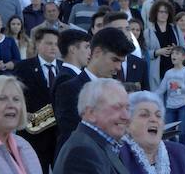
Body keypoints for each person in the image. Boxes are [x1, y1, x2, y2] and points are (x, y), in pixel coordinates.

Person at [54, 28, 134, 156]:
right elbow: (71, 136)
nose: (118, 67)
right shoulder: (70, 89)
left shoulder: (118, 90)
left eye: (121, 62)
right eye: (115, 60)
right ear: (97, 52)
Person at [13, 28, 63, 174]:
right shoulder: (23, 67)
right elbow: (15, 95)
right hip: (32, 134)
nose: (53, 47)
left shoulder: (66, 68)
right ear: (38, 44)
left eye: (56, 44)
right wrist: (22, 112)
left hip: (59, 136)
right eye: (49, 43)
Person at [154, 47, 185, 145]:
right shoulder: (168, 73)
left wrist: (180, 86)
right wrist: (150, 96)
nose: (173, 55)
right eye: (173, 53)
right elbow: (161, 89)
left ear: (183, 57)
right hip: (170, 105)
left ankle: (183, 153)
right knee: (168, 132)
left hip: (183, 105)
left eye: (177, 54)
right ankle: (175, 150)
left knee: (182, 132)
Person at [144, 1, 185, 87]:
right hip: (157, 72)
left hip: (175, 70)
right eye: (161, 12)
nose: (164, 14)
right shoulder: (148, 32)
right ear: (155, 13)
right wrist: (157, 52)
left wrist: (177, 49)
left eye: (166, 12)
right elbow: (144, 53)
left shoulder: (175, 29)